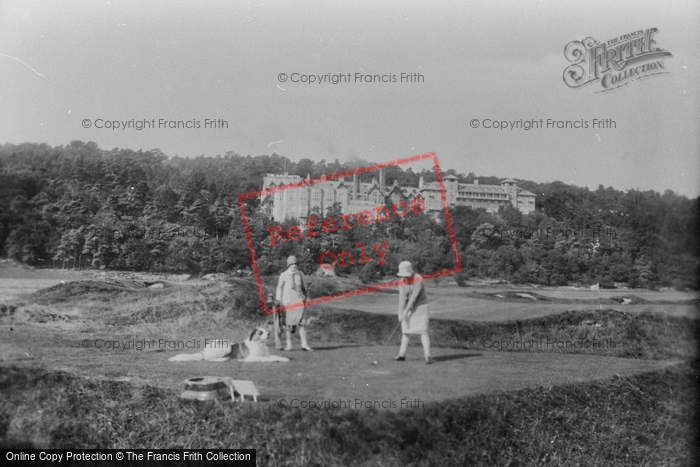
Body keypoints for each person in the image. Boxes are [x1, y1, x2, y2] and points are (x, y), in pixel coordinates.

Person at [395, 261, 432, 364]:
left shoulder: (418, 278)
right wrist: (400, 313)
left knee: (423, 331)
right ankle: (401, 355)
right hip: (409, 308)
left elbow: (414, 297)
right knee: (406, 331)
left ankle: (428, 356)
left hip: (421, 306)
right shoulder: (401, 282)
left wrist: (406, 310)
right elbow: (402, 298)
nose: (405, 278)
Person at [276, 255, 313, 351]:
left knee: (302, 324)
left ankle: (304, 345)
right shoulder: (283, 275)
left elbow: (304, 288)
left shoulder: (300, 274)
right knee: (288, 325)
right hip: (287, 303)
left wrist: (307, 297)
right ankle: (289, 345)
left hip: (299, 302)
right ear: (288, 265)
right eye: (291, 264)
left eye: (295, 264)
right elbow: (279, 287)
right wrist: (278, 298)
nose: (293, 266)